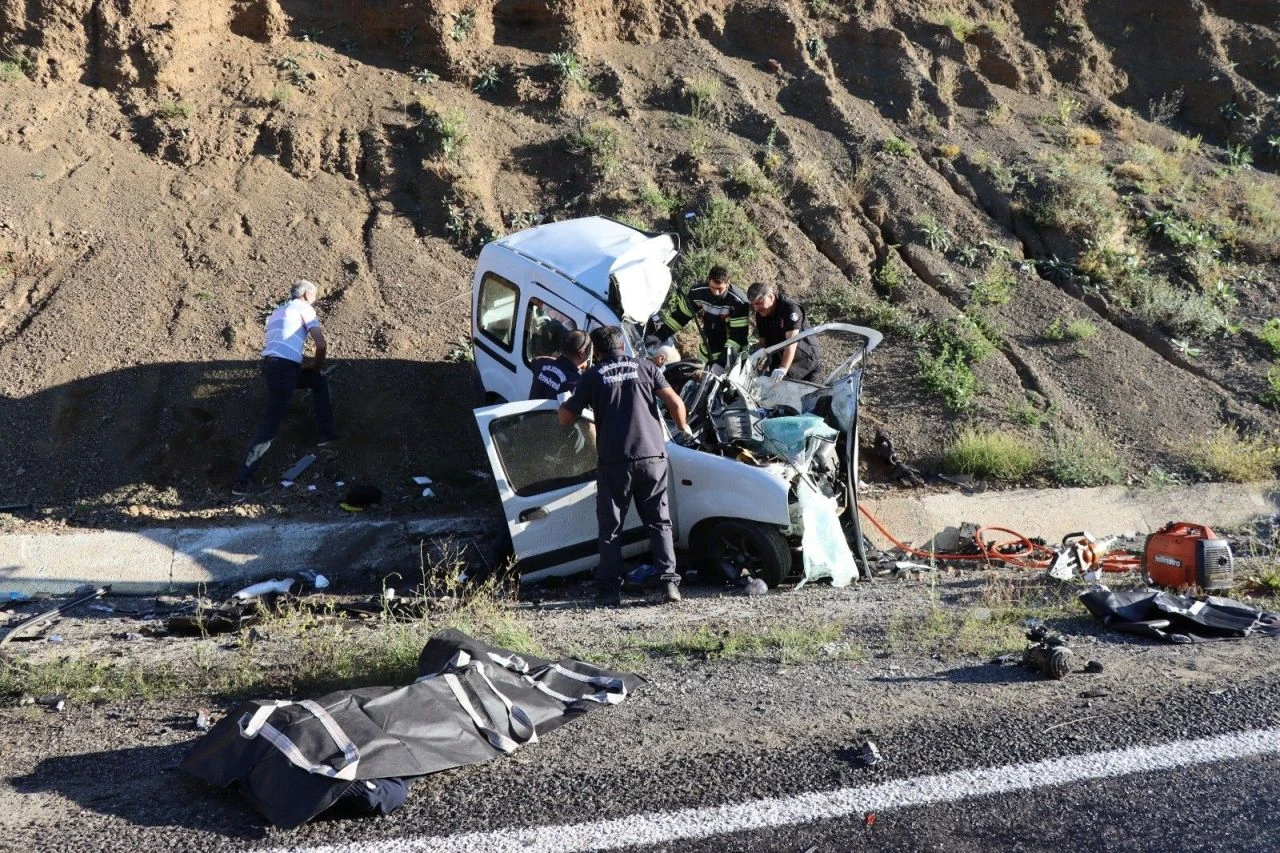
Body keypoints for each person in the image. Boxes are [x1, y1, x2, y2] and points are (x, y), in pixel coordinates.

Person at [559, 326, 692, 607]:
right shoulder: (646, 368)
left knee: (611, 528)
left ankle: (609, 591)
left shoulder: (593, 376)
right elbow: (676, 404)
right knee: (659, 522)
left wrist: (564, 403)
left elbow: (565, 419)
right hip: (652, 458)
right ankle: (669, 584)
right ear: (623, 345)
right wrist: (683, 428)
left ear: (597, 349)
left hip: (615, 462)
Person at [233, 279, 336, 495]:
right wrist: (316, 365)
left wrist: (309, 371)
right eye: (315, 295)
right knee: (269, 426)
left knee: (318, 382)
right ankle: (242, 482)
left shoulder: (278, 312)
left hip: (275, 367)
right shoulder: (304, 308)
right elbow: (321, 344)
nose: (315, 299)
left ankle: (327, 435)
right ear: (307, 295)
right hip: (284, 370)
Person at [653, 265, 750, 368]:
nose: (716, 292)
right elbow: (679, 317)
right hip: (708, 345)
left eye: (719, 289)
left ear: (728, 283)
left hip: (731, 352)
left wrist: (721, 362)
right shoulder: (698, 293)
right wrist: (657, 337)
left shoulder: (739, 302)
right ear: (708, 280)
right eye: (712, 287)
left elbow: (738, 336)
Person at [747, 281, 823, 382]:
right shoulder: (761, 314)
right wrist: (752, 360)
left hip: (805, 358)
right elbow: (763, 343)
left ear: (771, 296)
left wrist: (783, 368)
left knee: (809, 393)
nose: (756, 308)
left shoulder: (790, 310)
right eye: (753, 305)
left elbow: (791, 343)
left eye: (759, 303)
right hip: (778, 357)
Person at [528, 329, 591, 400]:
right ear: (582, 354)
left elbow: (535, 360)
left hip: (532, 411)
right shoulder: (577, 383)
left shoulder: (540, 363)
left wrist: (556, 361)